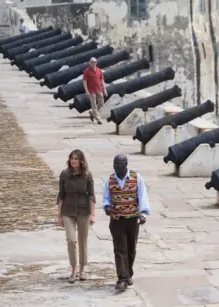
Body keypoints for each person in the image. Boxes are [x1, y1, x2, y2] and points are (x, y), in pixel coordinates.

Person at [102, 154, 150, 291]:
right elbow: (106, 197)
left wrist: (143, 213)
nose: (116, 167)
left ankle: (128, 273)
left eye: (119, 165)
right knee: (120, 248)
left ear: (126, 165)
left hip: (132, 219)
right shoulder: (110, 180)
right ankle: (122, 278)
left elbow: (142, 196)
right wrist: (106, 207)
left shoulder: (136, 178)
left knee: (131, 248)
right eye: (115, 165)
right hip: (117, 220)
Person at [57, 149, 96, 283]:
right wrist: (59, 215)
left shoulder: (87, 175)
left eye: (76, 158)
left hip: (83, 211)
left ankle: (82, 269)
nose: (73, 160)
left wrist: (92, 214)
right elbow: (61, 194)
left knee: (82, 240)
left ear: (81, 160)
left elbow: (91, 195)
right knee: (71, 240)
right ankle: (73, 268)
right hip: (68, 211)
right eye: (71, 158)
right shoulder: (64, 174)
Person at [83, 57, 108, 125]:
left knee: (101, 103)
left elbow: (102, 80)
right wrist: (87, 91)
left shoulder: (99, 70)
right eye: (92, 62)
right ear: (89, 63)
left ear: (96, 63)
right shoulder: (86, 71)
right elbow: (84, 82)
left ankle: (92, 113)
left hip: (99, 90)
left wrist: (104, 89)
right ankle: (98, 119)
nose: (93, 63)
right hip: (91, 91)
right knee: (94, 105)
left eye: (95, 62)